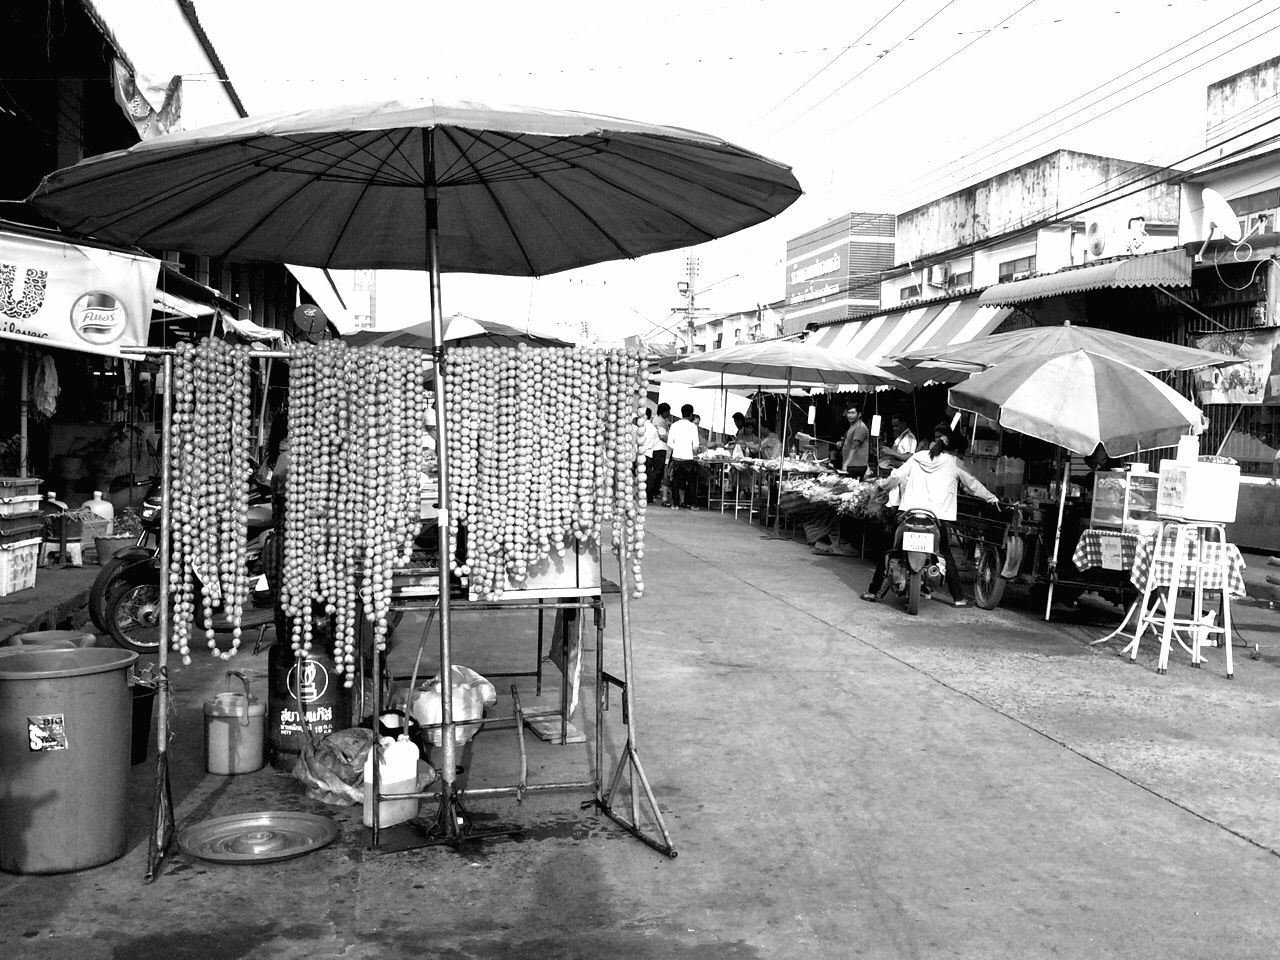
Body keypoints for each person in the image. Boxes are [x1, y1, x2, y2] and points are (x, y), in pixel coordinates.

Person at [861, 423, 999, 607]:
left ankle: (872, 591)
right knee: (945, 555)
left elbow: (896, 477)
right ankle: (958, 598)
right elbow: (972, 485)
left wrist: (882, 487)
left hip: (908, 514)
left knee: (891, 550)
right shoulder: (954, 462)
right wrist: (991, 498)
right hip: (937, 518)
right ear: (951, 447)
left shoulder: (917, 457)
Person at [666, 403, 703, 509]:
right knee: (691, 481)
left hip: (676, 456)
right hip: (688, 458)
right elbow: (695, 445)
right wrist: (691, 450)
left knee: (675, 481)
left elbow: (669, 443)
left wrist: (677, 447)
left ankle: (675, 504)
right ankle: (692, 504)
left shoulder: (674, 425)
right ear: (691, 415)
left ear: (681, 413)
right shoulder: (693, 427)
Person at [836, 404, 870, 478]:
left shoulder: (860, 427)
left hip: (856, 466)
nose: (850, 415)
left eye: (853, 413)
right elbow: (850, 443)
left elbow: (855, 446)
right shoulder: (853, 426)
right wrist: (842, 444)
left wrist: (846, 464)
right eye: (849, 413)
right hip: (851, 464)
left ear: (859, 414)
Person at [652, 403, 672, 506]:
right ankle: (653, 492)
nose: (669, 413)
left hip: (658, 448)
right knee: (658, 471)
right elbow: (663, 437)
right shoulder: (661, 422)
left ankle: (654, 492)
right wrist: (673, 439)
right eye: (668, 411)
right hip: (660, 448)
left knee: (658, 471)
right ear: (664, 412)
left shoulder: (657, 419)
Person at [638, 411, 660, 492]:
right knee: (645, 475)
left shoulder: (648, 427)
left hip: (645, 453)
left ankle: (647, 494)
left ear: (645, 416)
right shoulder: (649, 427)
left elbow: (646, 442)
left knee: (645, 475)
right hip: (647, 454)